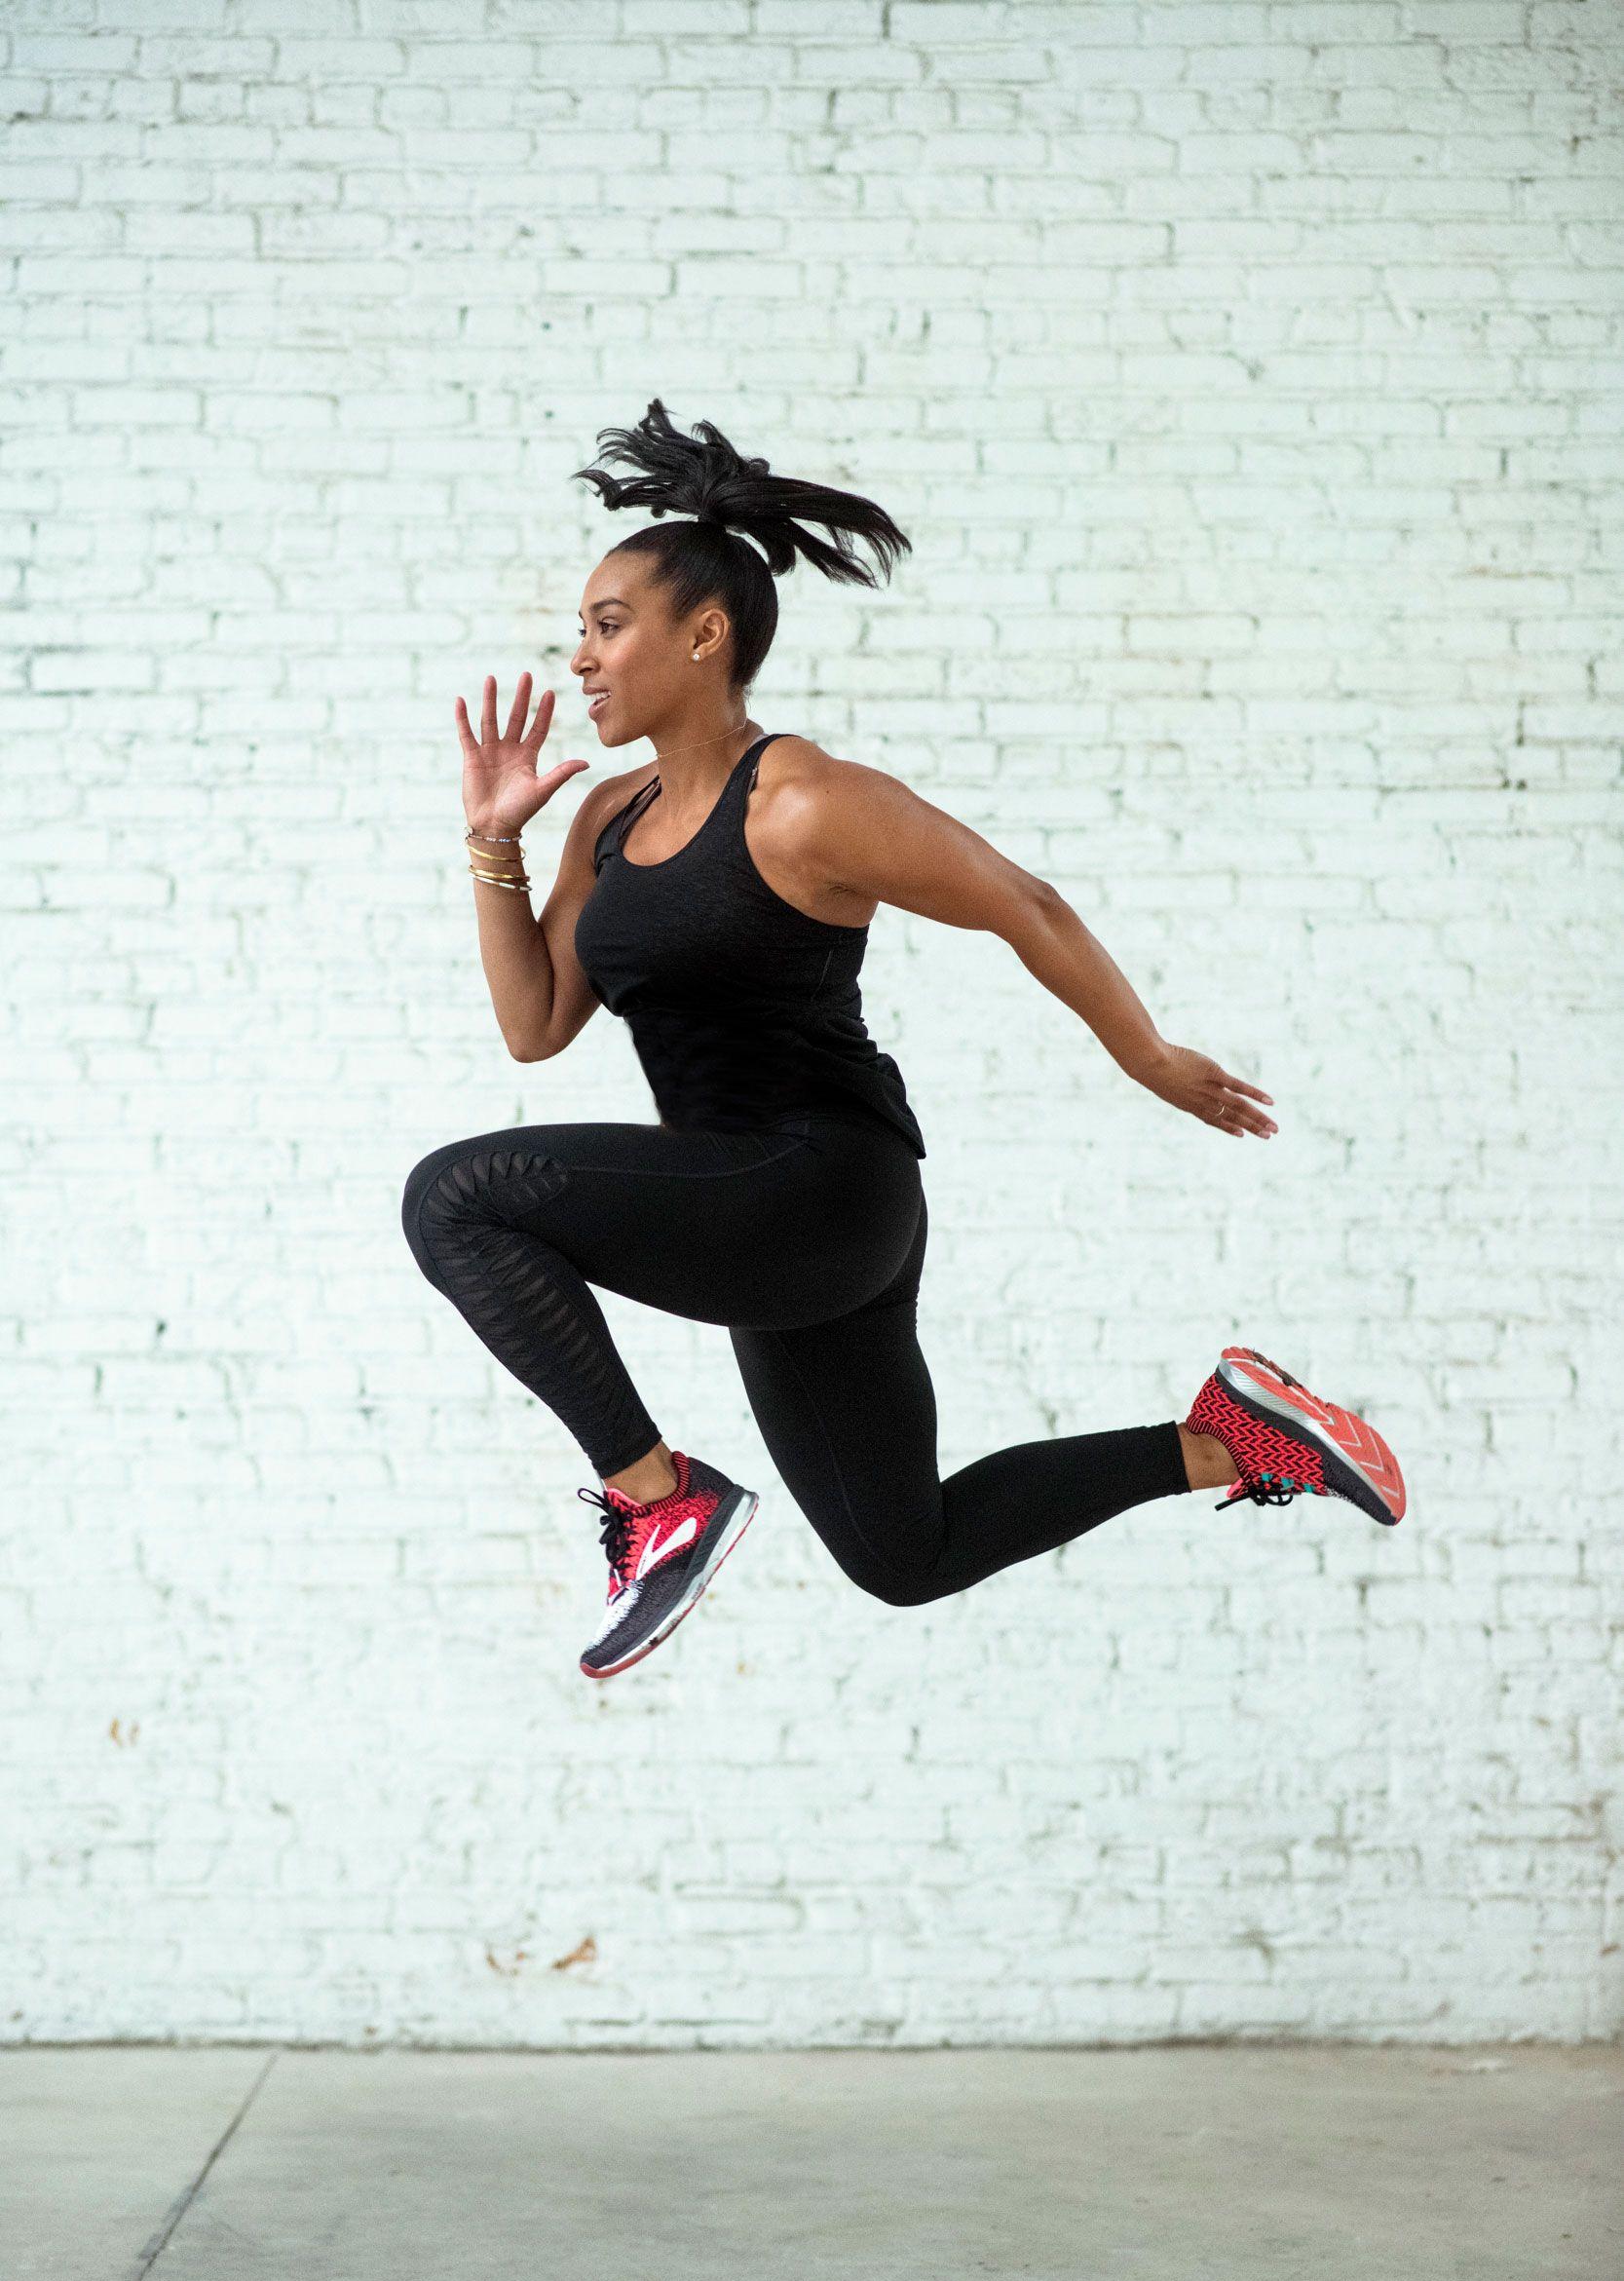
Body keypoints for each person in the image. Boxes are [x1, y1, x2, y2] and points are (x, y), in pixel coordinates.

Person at [401, 399, 1407, 1682]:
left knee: (456, 1199)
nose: (581, 658)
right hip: (745, 1212)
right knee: (904, 1551)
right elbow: (535, 1025)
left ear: (704, 635)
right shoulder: (608, 815)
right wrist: (493, 841)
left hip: (825, 1188)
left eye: (608, 625)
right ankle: (1237, 1439)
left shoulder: (804, 802)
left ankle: (660, 1505)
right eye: (580, 632)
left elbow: (1023, 902)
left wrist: (1149, 1057)